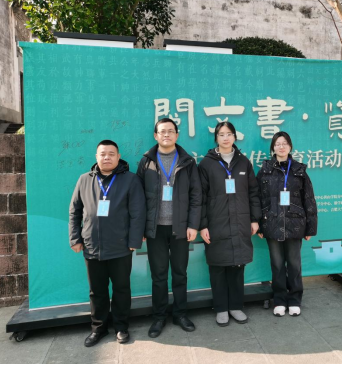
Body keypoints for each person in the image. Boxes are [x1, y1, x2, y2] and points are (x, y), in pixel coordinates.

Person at [69, 140, 146, 347]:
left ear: (118, 157)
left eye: (111, 154)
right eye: (103, 154)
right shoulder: (84, 180)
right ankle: (98, 328)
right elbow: (75, 211)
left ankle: (121, 327)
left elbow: (138, 212)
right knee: (97, 291)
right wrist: (75, 239)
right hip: (92, 246)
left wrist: (134, 240)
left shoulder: (130, 180)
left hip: (121, 246)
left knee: (122, 289)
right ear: (96, 157)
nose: (107, 157)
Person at [137, 118, 202, 337]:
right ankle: (159, 317)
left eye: (171, 131)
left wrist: (193, 224)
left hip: (180, 228)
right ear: (155, 135)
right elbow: (137, 198)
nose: (166, 135)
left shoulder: (188, 162)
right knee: (159, 275)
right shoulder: (146, 161)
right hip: (155, 229)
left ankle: (180, 314)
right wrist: (141, 228)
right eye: (162, 131)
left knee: (180, 273)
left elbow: (196, 195)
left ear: (177, 135)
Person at [198, 122, 261, 327]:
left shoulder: (243, 162)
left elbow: (253, 192)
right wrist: (202, 225)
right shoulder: (206, 164)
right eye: (221, 134)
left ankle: (235, 306)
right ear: (216, 138)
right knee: (217, 267)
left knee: (237, 266)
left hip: (240, 221)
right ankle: (221, 308)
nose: (225, 138)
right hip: (216, 223)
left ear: (235, 137)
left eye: (229, 134)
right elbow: (200, 197)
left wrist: (254, 219)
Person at [257, 132, 318, 317]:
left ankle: (295, 299)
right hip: (272, 223)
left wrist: (310, 227)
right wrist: (259, 224)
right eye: (278, 144)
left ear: (290, 147)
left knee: (294, 264)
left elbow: (309, 199)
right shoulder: (265, 170)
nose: (281, 147)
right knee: (276, 264)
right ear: (273, 148)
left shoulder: (299, 170)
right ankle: (280, 300)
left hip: (295, 224)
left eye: (284, 143)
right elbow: (258, 199)